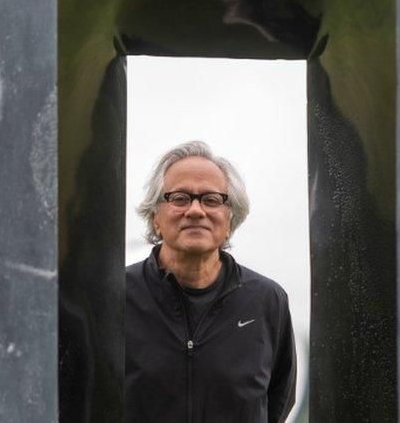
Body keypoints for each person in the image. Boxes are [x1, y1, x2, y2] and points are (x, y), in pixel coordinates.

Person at [125, 141, 296, 422]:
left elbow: (276, 403)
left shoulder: (267, 300)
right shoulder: (117, 296)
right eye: (179, 198)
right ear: (156, 217)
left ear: (229, 220)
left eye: (211, 200)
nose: (195, 210)